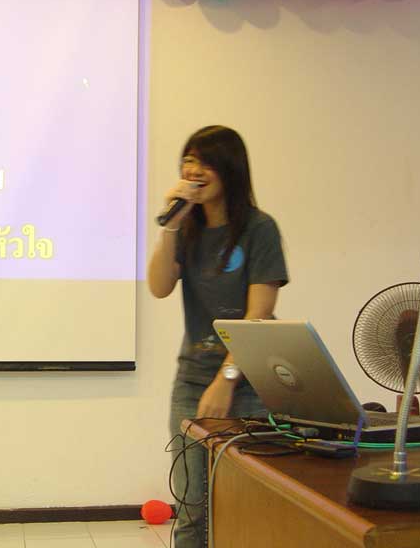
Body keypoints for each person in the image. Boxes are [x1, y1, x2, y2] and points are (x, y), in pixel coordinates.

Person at [147, 125, 289, 548]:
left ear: (230, 169)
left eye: (205, 162)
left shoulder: (259, 229)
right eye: (188, 160)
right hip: (192, 380)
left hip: (249, 384)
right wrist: (171, 225)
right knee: (192, 505)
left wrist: (226, 380)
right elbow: (158, 286)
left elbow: (258, 315)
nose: (194, 170)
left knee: (245, 505)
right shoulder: (186, 229)